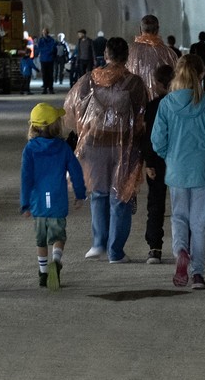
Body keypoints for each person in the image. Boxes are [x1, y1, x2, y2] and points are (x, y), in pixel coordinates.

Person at [65, 36, 148, 263]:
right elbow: (142, 118)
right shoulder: (135, 83)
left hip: (94, 146)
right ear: (126, 57)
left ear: (106, 55)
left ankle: (98, 243)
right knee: (120, 196)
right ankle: (115, 251)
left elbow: (75, 111)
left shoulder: (88, 81)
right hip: (124, 147)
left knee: (99, 194)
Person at [151, 54, 205, 289]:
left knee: (179, 217)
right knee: (200, 223)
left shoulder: (166, 104)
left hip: (176, 170)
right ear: (202, 75)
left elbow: (157, 141)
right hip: (201, 170)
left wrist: (169, 156)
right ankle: (198, 273)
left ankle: (181, 251)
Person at [21, 102, 86, 288]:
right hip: (57, 202)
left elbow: (26, 177)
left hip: (38, 204)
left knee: (40, 240)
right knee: (58, 237)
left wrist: (25, 203)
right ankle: (56, 261)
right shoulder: (64, 148)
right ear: (56, 125)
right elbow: (76, 171)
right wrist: (80, 194)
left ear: (33, 126)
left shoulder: (30, 149)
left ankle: (43, 274)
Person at [141, 63, 173, 265]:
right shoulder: (183, 104)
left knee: (155, 204)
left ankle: (155, 248)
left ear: (159, 83)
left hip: (157, 162)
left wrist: (148, 162)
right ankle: (186, 247)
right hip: (179, 160)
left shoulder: (153, 106)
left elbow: (148, 137)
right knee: (183, 206)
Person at [127, 14, 178, 102]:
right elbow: (175, 79)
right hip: (160, 104)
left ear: (140, 29)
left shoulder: (129, 51)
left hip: (134, 102)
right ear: (157, 29)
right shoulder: (169, 53)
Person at [34, 27, 58, 94]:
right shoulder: (42, 40)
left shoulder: (50, 40)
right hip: (45, 59)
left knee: (49, 75)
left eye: (45, 32)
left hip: (48, 59)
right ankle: (45, 88)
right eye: (44, 32)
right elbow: (42, 49)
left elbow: (52, 49)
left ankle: (50, 88)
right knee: (45, 75)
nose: (45, 33)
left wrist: (45, 51)